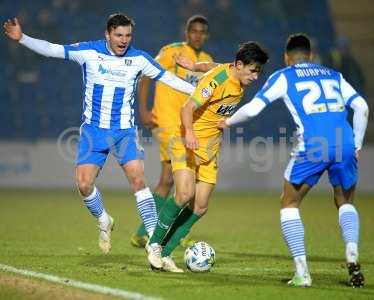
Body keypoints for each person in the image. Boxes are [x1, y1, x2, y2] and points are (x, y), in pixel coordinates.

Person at [3, 14, 195, 254]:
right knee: (84, 184)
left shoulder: (139, 59)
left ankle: (154, 244)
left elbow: (170, 80)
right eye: (118, 35)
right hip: (93, 132)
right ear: (107, 34)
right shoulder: (89, 52)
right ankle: (104, 219)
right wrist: (23, 38)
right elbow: (52, 49)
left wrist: (201, 93)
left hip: (124, 131)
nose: (124, 40)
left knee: (138, 180)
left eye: (127, 35)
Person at [219, 34, 369, 287]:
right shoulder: (333, 75)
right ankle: (352, 252)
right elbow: (362, 107)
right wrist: (357, 143)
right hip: (343, 140)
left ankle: (302, 273)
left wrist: (228, 122)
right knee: (345, 201)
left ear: (287, 58)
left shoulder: (284, 76)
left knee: (289, 202)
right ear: (310, 56)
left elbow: (254, 109)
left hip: (314, 144)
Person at [146, 42, 269, 272]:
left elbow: (213, 65)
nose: (255, 77)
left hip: (210, 149)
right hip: (186, 142)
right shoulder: (217, 82)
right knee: (184, 194)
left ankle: (166, 253)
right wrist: (190, 133)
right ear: (239, 65)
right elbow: (187, 108)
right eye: (253, 71)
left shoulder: (231, 73)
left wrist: (194, 65)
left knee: (200, 206)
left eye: (258, 72)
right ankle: (154, 244)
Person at [130, 15, 213, 249]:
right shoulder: (172, 52)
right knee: (177, 175)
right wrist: (144, 109)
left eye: (202, 32)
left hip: (188, 125)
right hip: (167, 121)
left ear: (207, 35)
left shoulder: (207, 61)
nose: (198, 35)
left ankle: (144, 231)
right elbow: (146, 75)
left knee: (168, 178)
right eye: (193, 31)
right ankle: (165, 230)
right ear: (186, 32)